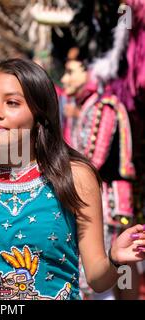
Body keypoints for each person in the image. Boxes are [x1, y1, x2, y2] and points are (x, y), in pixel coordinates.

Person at [0, 59, 145, 300]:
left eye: (12, 103)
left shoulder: (76, 178)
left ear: (39, 111)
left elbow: (97, 280)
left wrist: (114, 257)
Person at [61, 56, 140, 299]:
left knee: (117, 258)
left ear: (90, 72)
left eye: (71, 72)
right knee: (119, 259)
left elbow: (91, 160)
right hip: (99, 195)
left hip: (108, 200)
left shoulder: (103, 106)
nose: (64, 79)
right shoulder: (86, 105)